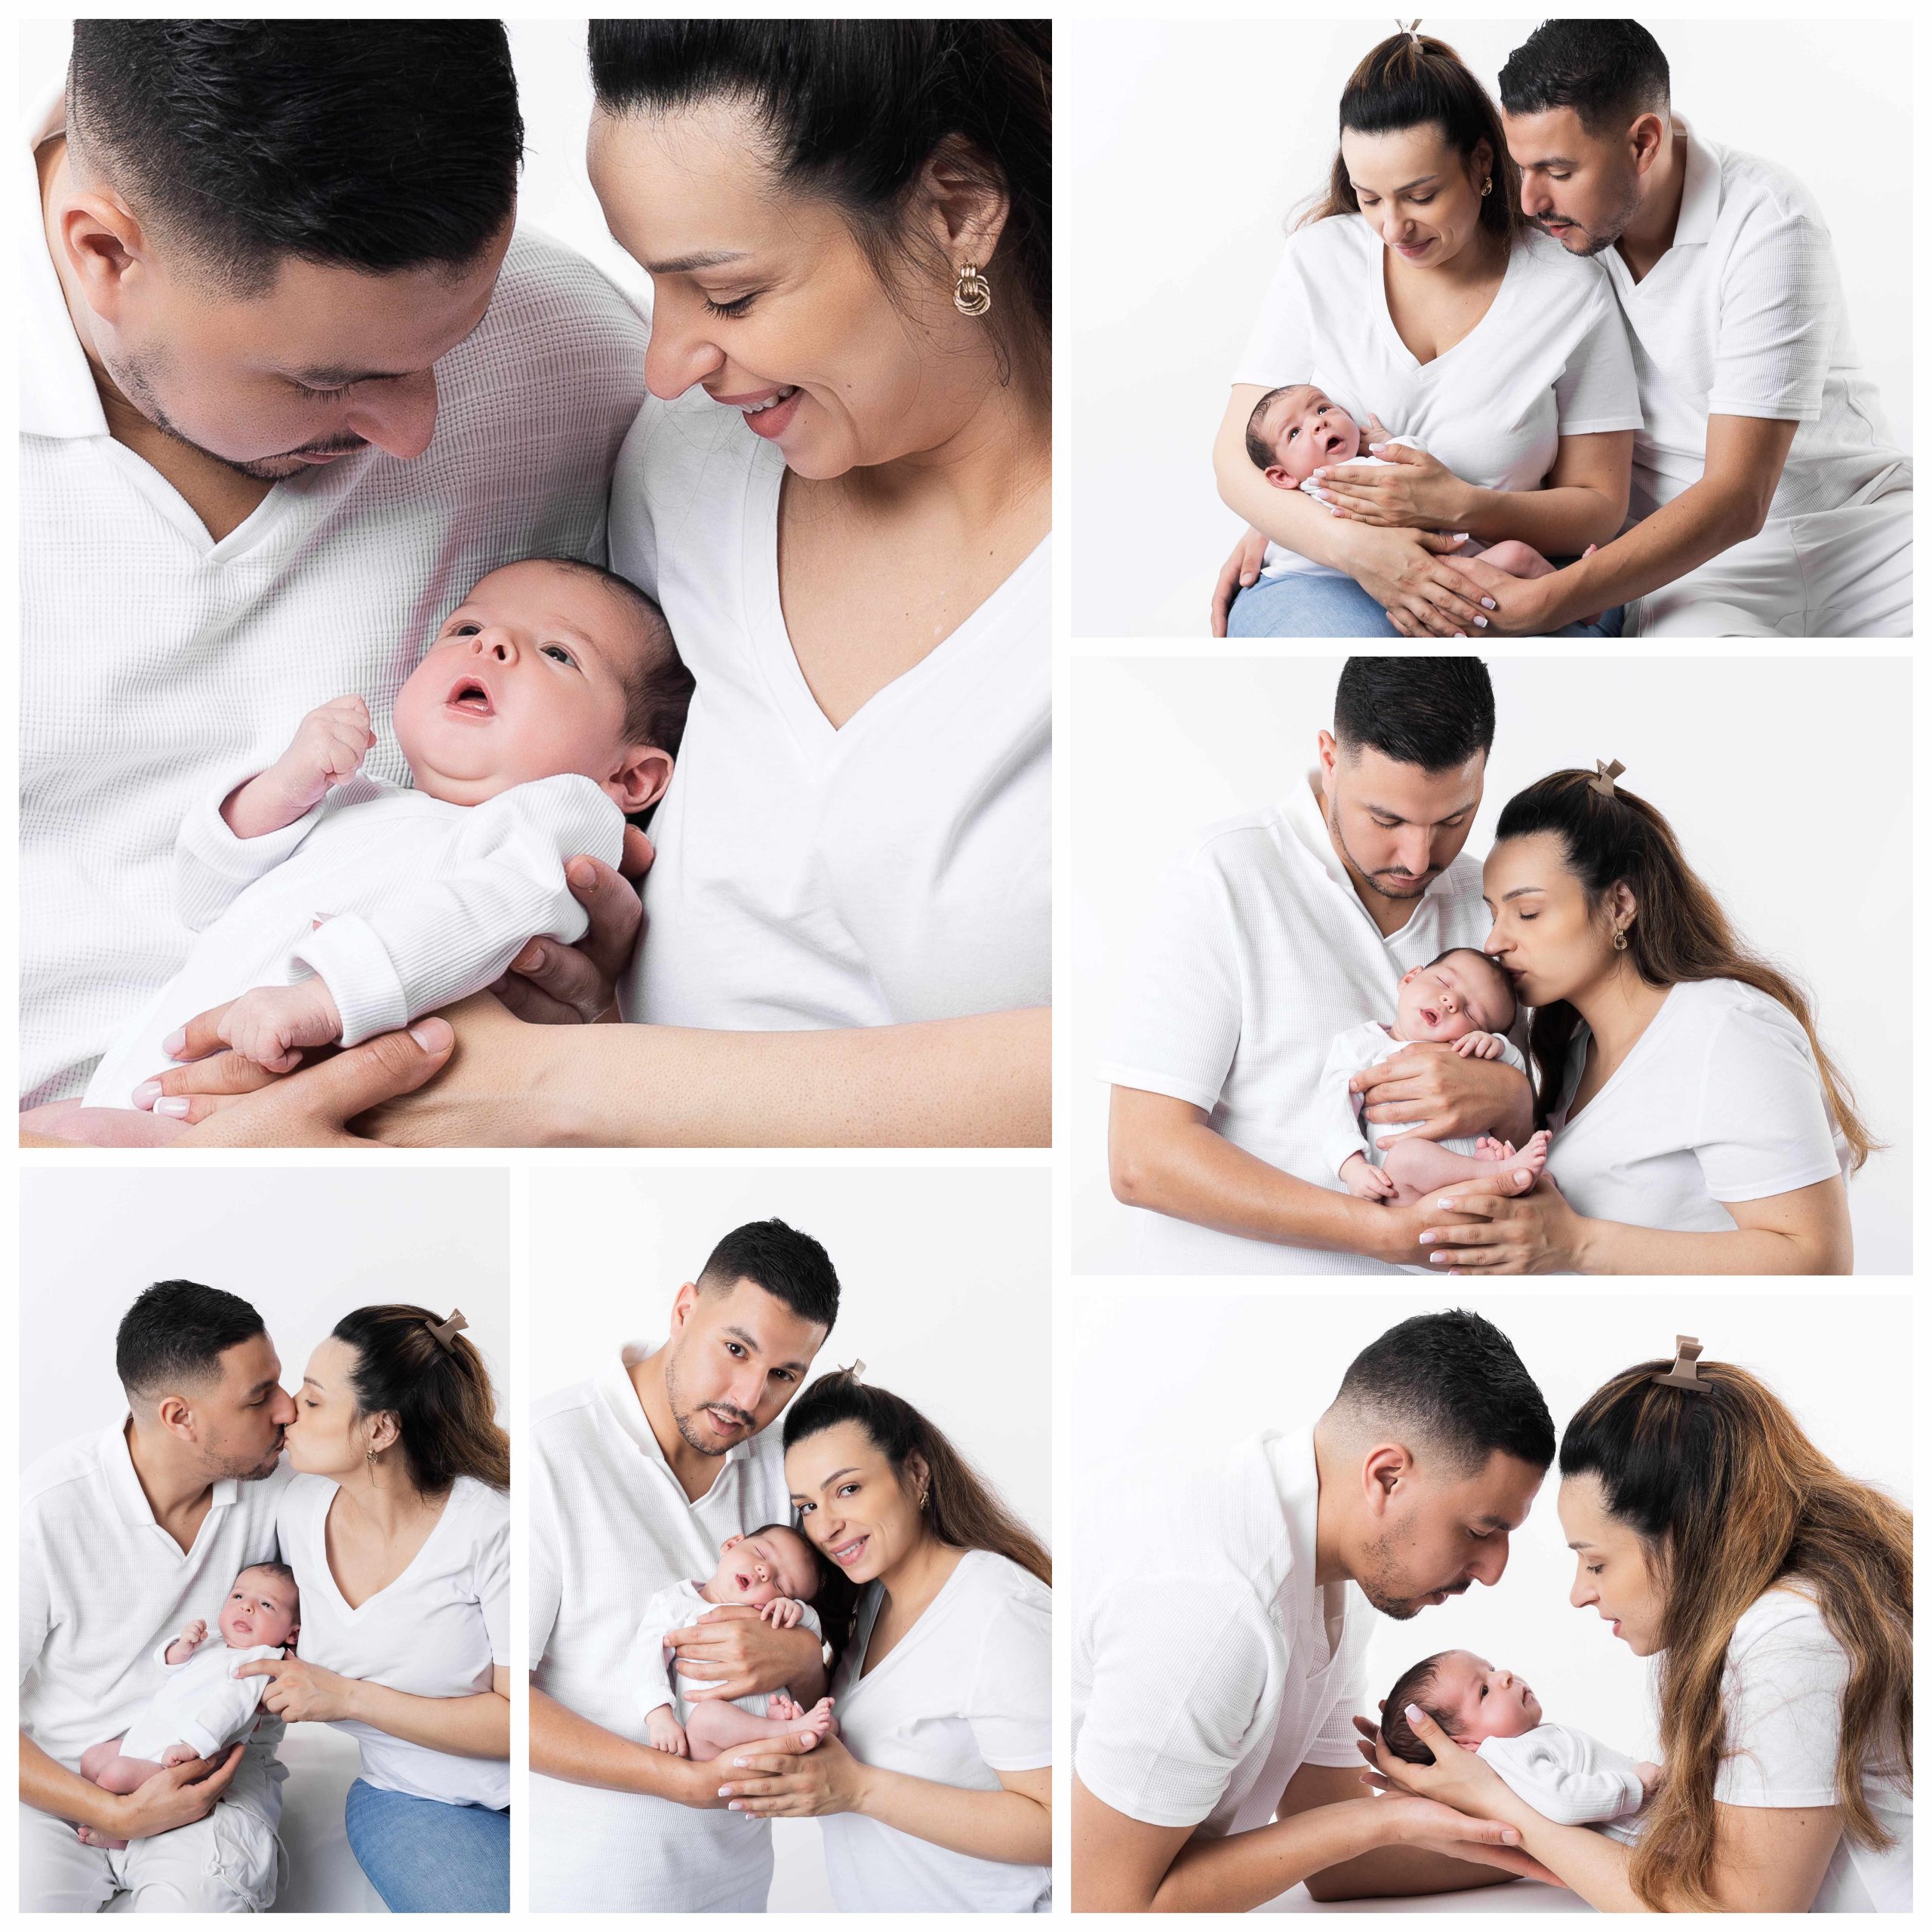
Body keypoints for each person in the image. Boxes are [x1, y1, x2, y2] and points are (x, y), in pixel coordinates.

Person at [138, 20, 1053, 1149]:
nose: (661, 364)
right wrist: (563, 982)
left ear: (958, 210)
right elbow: (559, 827)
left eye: (725, 293)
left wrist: (556, 1084)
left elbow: (1142, 1061)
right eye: (647, 281)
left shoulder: (1156, 592)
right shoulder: (691, 466)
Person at [21, 20, 650, 1119]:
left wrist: (590, 1006)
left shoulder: (584, 362)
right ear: (104, 254)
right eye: (327, 382)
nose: (416, 432)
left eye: (455, 343)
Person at [78, 560, 688, 1118]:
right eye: (463, 628)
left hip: (263, 1101)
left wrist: (332, 998)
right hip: (138, 1081)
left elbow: (490, 909)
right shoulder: (356, 798)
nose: (491, 643)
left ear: (628, 777)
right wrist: (284, 788)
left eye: (558, 653)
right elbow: (202, 897)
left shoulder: (564, 814)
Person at [1364, 1345, 1912, 1909]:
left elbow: (1742, 1913)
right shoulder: (1802, 1610)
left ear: (1689, 1534)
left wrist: (1501, 1807)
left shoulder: (1791, 1634)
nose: (1580, 1594)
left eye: (1596, 1562)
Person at [1072, 1311, 1554, 1911]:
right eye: (1482, 1529)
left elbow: (1332, 1855)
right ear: (1387, 1477)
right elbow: (1107, 1905)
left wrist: (1570, 1843)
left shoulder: (1337, 1571)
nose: (1494, 1570)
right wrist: (1381, 1821)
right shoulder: (1215, 1604)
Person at [1469, 20, 1912, 636]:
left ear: (1644, 144)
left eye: (1559, 171)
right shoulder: (1556, 237)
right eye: (1524, 168)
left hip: (1862, 529)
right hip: (1693, 571)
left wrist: (1553, 599)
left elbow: (1738, 496)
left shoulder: (1769, 220)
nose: (1530, 201)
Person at [1104, 656, 1533, 1272]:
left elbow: (1535, 1146)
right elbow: (1143, 1160)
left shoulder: (1490, 900)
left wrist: (1512, 1102)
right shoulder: (1224, 874)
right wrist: (1387, 1235)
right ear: (1330, 760)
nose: (1417, 858)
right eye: (1386, 819)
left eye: (1452, 820)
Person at [1211, 29, 1639, 638]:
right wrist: (1358, 550)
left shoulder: (1569, 291)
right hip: (1326, 580)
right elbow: (1235, 461)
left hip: (1496, 578)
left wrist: (1462, 504)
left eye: (1420, 196)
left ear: (1482, 164)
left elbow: (1601, 506)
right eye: (1369, 198)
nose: (1392, 227)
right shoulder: (1319, 260)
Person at [1418, 765, 1869, 1272]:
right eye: (1493, 914)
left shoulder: (1725, 1029)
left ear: (1620, 904)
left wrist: (1577, 1243)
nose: (1495, 942)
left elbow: (1818, 1259)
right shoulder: (1576, 1050)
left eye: (1527, 914)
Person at [527, 1220, 841, 1911]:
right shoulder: (551, 1451)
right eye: (735, 1349)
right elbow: (501, 1703)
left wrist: (792, 1654)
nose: (748, 1397)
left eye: (783, 1374)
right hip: (579, 1895)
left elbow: (824, 1677)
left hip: (737, 1891)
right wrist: (683, 1782)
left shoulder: (785, 1467)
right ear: (683, 1309)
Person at [718, 1370, 1053, 1912]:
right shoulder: (872, 1602)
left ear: (916, 1473)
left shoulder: (999, 1611)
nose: (825, 1527)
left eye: (847, 1489)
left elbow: (1071, 1830)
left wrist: (859, 1789)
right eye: (808, 1506)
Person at [20, 1281, 297, 1911]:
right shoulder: (46, 1510)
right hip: (61, 1788)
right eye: (260, 1397)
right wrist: (110, 1811)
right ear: (180, 1417)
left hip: (213, 1783)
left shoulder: (286, 1486)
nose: (287, 1409)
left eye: (280, 1383)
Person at [264, 1305, 512, 1913]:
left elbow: (518, 1723)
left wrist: (349, 1698)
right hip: (406, 1799)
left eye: (315, 1401)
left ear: (380, 1430)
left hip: (541, 1792)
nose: (289, 1412)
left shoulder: (493, 1526)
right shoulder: (296, 1511)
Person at [1244, 383, 1574, 586]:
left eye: (1322, 408)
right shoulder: (1318, 489)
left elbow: (1430, 480)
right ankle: (1573, 596)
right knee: (1517, 558)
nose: (1319, 422)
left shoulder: (1369, 463)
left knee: (1515, 559)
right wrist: (1395, 446)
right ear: (1282, 477)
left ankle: (1571, 597)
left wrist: (1387, 444)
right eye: (1294, 432)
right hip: (1422, 572)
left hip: (1452, 556)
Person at [76, 1565, 299, 1848]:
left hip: (181, 1759)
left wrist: (193, 1747)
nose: (247, 1608)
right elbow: (167, 1667)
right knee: (92, 1758)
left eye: (266, 1604)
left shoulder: (260, 1660)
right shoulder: (216, 1642)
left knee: (114, 1774)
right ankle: (103, 1812)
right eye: (239, 1597)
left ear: (292, 1634)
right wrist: (182, 1648)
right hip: (149, 1738)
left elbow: (231, 1708)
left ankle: (120, 1836)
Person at [1318, 947, 1548, 1206]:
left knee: (1510, 1158)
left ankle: (1496, 1169)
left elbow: (1512, 1081)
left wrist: (1498, 1046)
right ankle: (1499, 1171)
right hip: (1403, 1191)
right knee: (1407, 1156)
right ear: (1409, 978)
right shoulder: (1362, 1045)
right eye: (1445, 982)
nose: (1452, 1001)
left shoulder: (1465, 1055)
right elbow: (1334, 1110)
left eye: (1472, 1014)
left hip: (1475, 1191)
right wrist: (1352, 1167)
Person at [1378, 1651, 1657, 1835]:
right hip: (1660, 1841)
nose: (1506, 1675)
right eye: (1484, 1691)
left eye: (1493, 1669)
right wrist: (1637, 1786)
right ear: (1462, 1746)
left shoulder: (1527, 1742)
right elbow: (1566, 1802)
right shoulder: (1511, 1754)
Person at [631, 1526, 835, 1761]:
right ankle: (791, 1731)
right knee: (707, 1717)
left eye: (780, 1586)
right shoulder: (676, 1603)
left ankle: (790, 1727)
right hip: (712, 1746)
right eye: (761, 1553)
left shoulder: (768, 1615)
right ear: (731, 1545)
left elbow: (811, 1642)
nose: (764, 1571)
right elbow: (647, 1660)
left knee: (827, 1723)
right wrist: (659, 1717)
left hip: (769, 1727)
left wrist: (799, 1611)